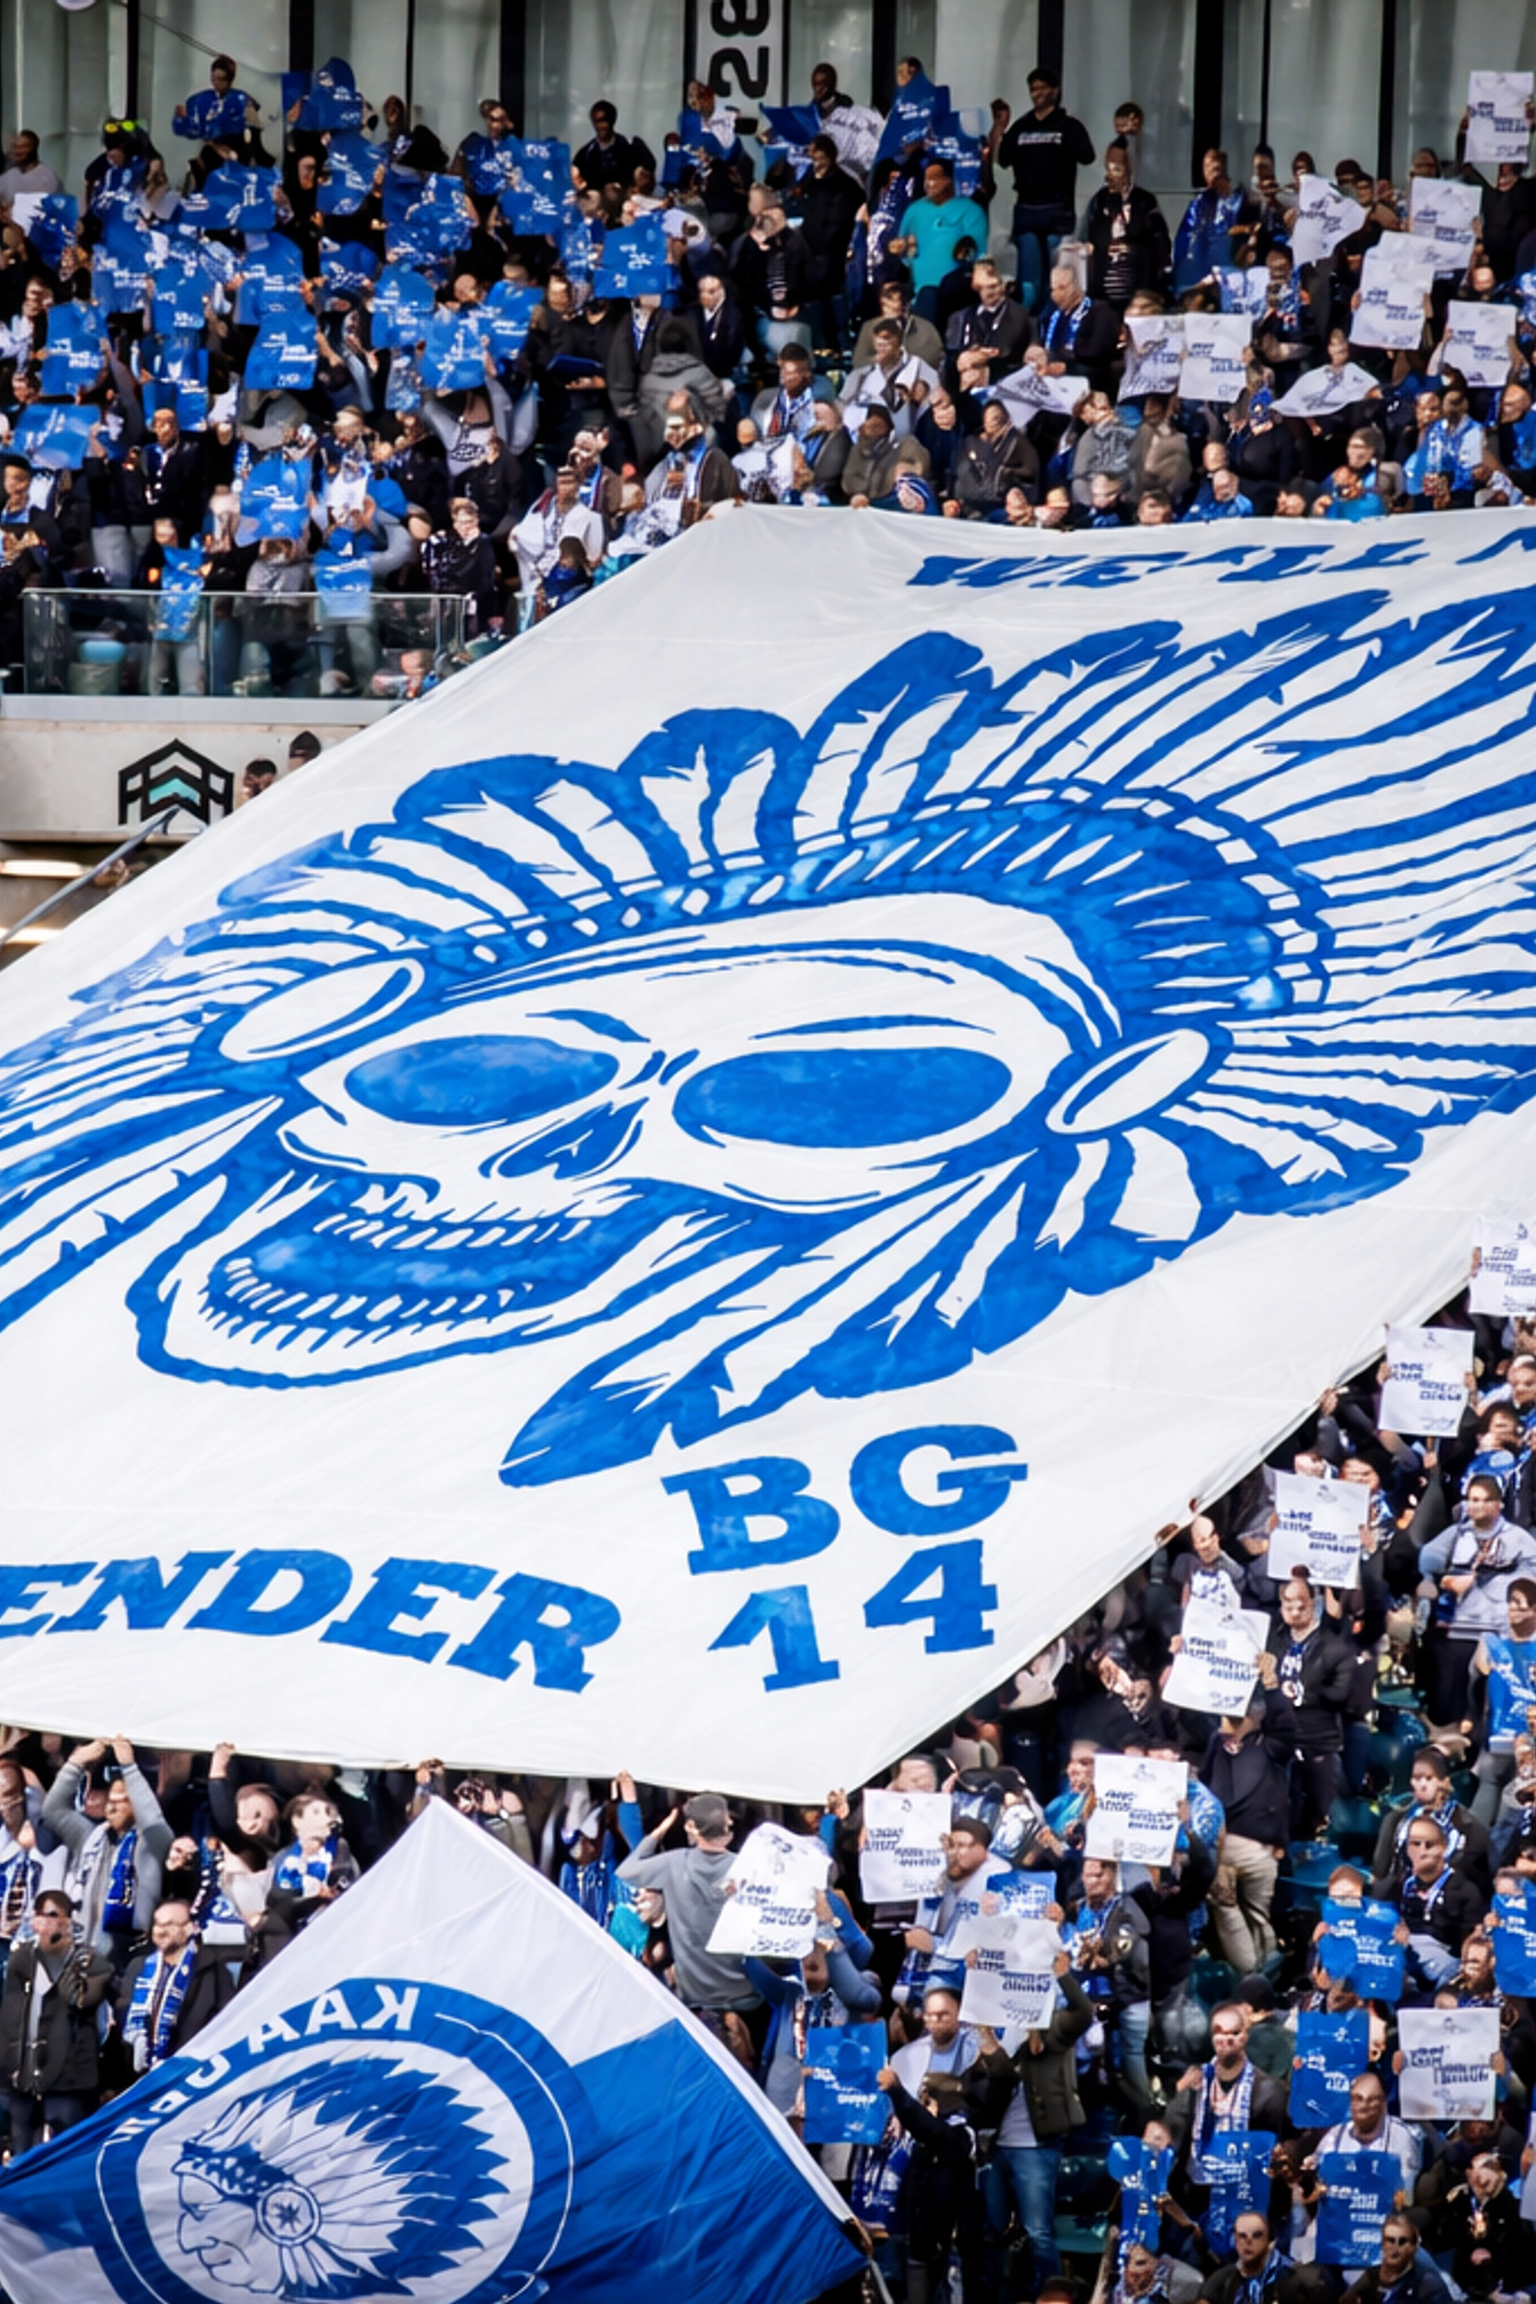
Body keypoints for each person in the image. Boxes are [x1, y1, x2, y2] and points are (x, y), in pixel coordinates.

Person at [616, 1791, 758, 2023]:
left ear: (691, 1827)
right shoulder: (747, 1868)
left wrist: (659, 1831)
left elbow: (627, 1871)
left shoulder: (674, 1863)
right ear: (727, 1823)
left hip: (693, 2002)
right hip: (745, 1998)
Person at [42, 1735, 174, 1964]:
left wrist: (130, 1769)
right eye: (110, 1800)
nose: (112, 1806)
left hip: (128, 1954)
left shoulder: (151, 1843)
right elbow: (53, 1811)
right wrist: (76, 1763)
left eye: (121, 1801)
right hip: (81, 1951)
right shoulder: (91, 1836)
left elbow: (152, 1820)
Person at [0, 1889, 113, 2153]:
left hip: (69, 2077)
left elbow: (83, 2002)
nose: (57, 1923)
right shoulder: (21, 1959)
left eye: (63, 1917)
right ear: (35, 1920)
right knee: (23, 2149)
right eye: (50, 1916)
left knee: (70, 2150)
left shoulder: (89, 1959)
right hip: (22, 2074)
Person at [995, 68, 1096, 312]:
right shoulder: (1022, 125)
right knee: (1030, 283)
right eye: (1033, 89)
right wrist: (999, 127)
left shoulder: (1068, 125)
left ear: (1055, 90)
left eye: (1042, 88)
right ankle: (1030, 332)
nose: (1037, 93)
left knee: (1058, 279)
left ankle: (1053, 326)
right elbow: (1002, 159)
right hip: (1027, 209)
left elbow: (1088, 156)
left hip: (1057, 209)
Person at [116, 1896, 238, 2073]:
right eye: (158, 1924)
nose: (161, 1931)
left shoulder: (212, 1969)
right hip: (143, 2074)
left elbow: (224, 2020)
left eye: (170, 1925)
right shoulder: (139, 1967)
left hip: (192, 2070)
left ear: (190, 1928)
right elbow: (123, 2011)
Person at [889, 160, 990, 321]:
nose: (929, 184)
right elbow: (901, 249)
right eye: (926, 179)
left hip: (957, 293)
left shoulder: (971, 210)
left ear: (948, 180)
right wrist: (901, 248)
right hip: (919, 294)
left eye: (935, 178)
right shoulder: (914, 210)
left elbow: (978, 255)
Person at [1340, 2214, 1451, 2304]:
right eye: (1390, 2240)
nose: (1395, 2247)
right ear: (1382, 2244)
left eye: (1402, 2242)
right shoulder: (1371, 2276)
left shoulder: (1427, 2283)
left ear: (1413, 2248)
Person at [0, 130, 61, 198]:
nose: (18, 151)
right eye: (15, 147)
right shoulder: (9, 175)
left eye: (23, 147)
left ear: (33, 149)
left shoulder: (46, 176)